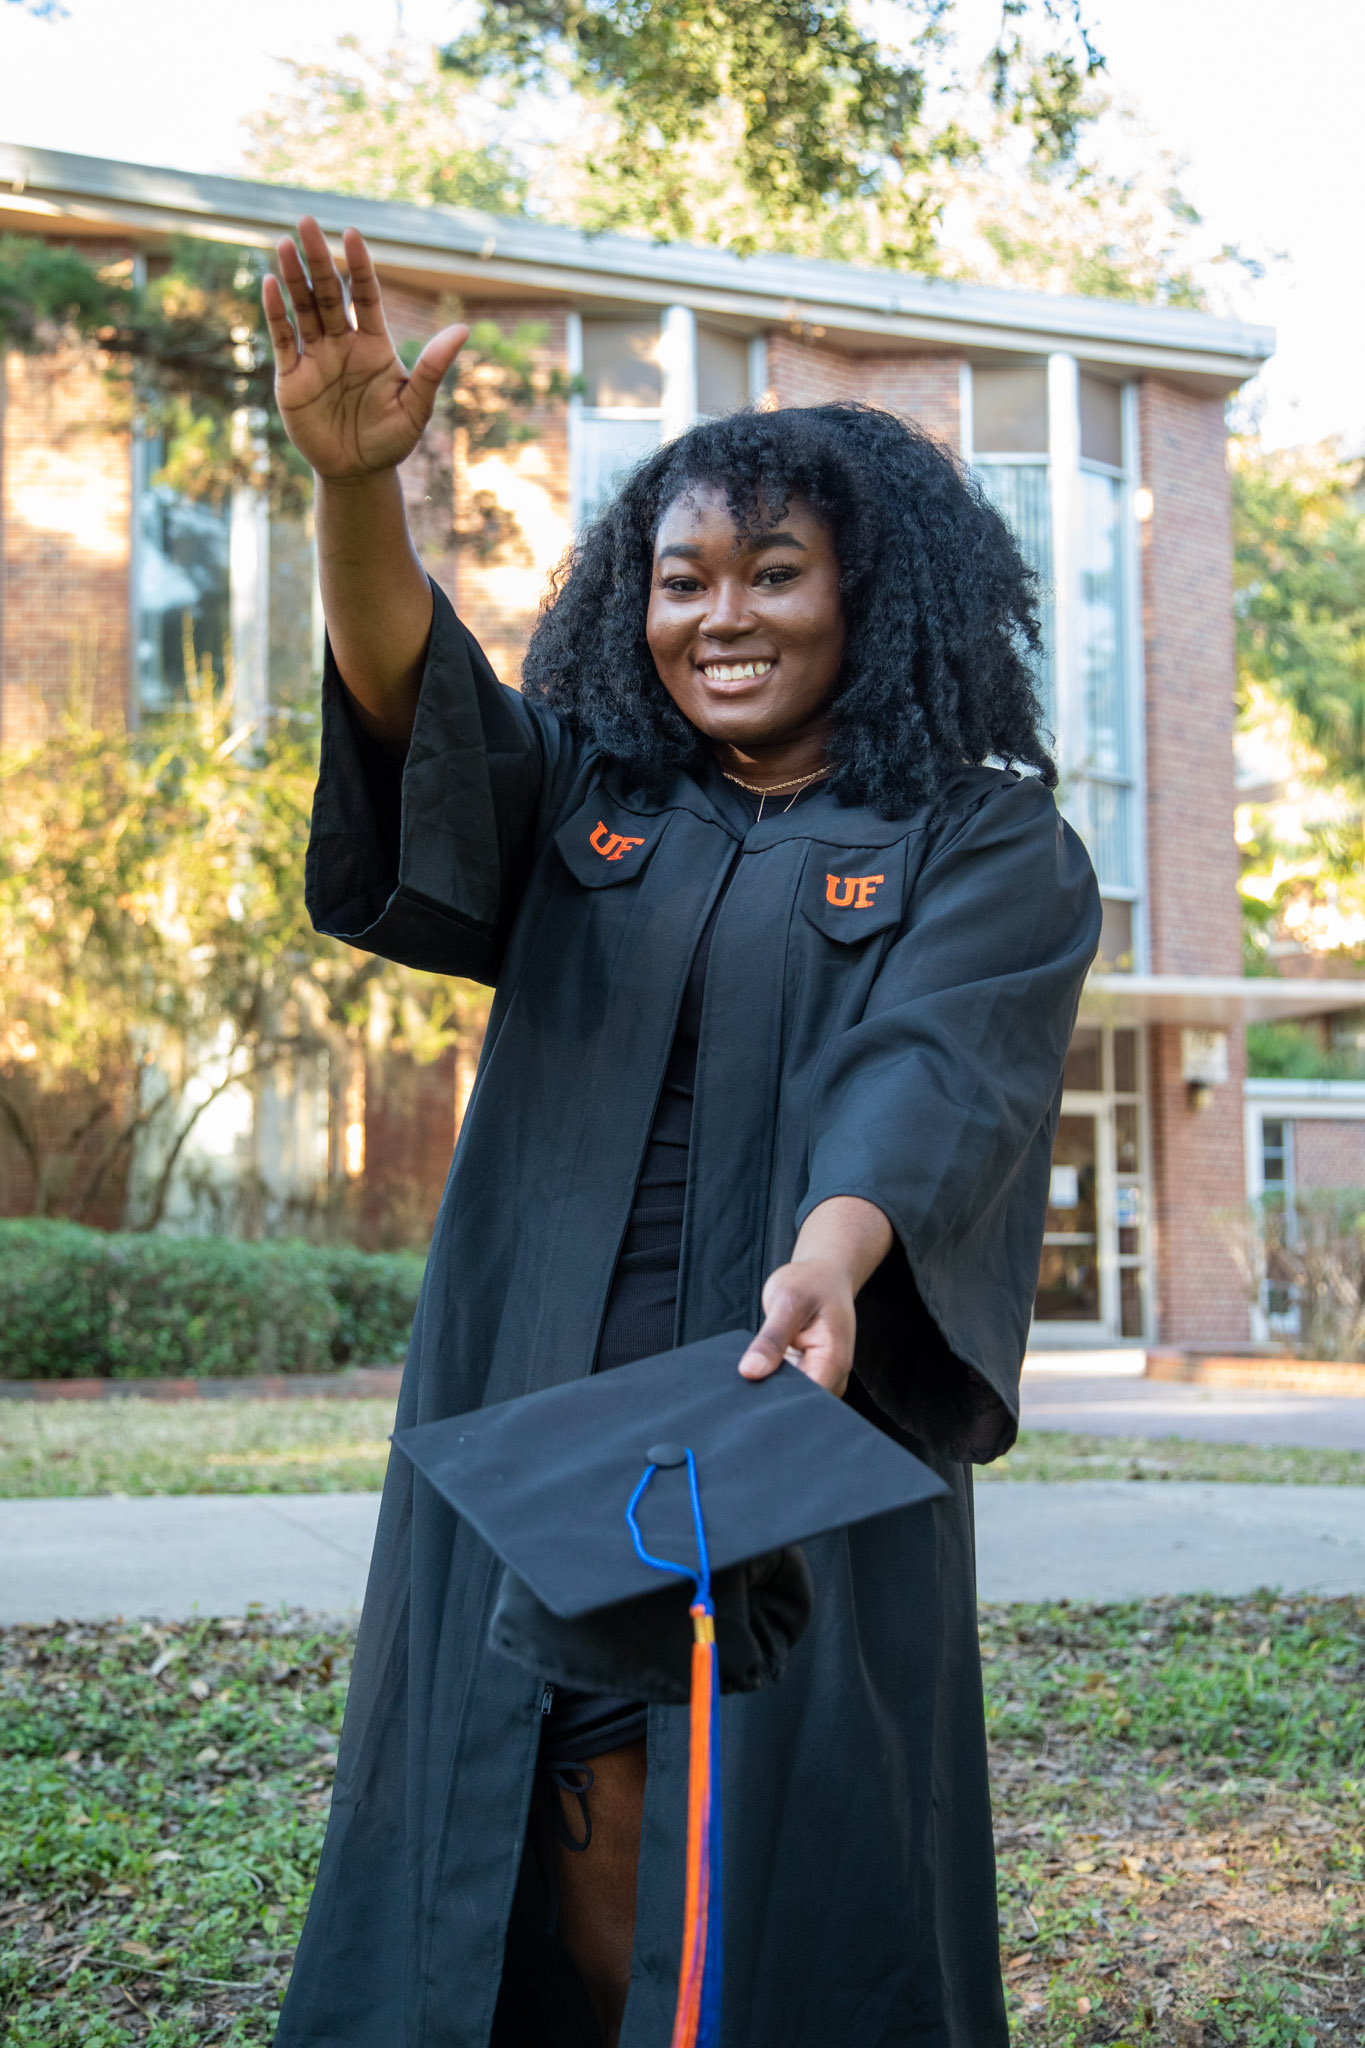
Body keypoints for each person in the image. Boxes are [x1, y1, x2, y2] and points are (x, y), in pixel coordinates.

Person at [264, 216, 1100, 2048]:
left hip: (783, 1383)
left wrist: (837, 1247)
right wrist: (356, 502)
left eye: (774, 574)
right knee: (520, 1793)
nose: (720, 617)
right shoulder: (593, 799)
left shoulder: (980, 842)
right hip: (529, 1386)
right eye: (680, 580)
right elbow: (420, 710)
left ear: (868, 598)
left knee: (745, 1821)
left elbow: (940, 1068)